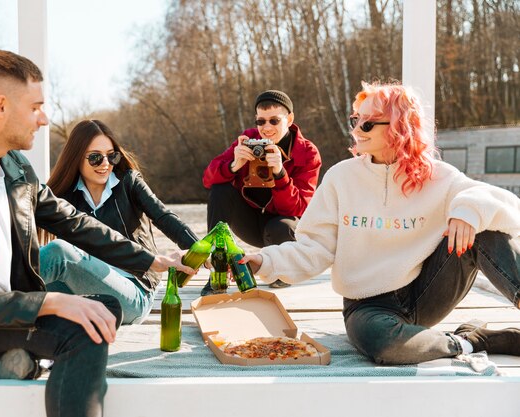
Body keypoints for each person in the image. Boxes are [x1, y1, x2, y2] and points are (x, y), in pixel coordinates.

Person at [0, 48, 193, 417]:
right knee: (83, 328)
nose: (44, 118)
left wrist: (150, 260)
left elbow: (74, 222)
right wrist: (49, 302)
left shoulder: (16, 169)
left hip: (3, 315)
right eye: (35, 107)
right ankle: (16, 360)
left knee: (102, 310)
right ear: (0, 106)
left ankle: (14, 361)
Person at [242, 81, 520, 365]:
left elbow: (506, 206)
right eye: (355, 120)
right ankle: (474, 340)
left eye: (367, 124)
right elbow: (314, 248)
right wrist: (262, 261)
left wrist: (467, 211)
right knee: (386, 345)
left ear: (399, 126)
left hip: (427, 291)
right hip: (368, 306)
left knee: (481, 222)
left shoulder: (438, 176)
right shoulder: (341, 178)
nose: (355, 129)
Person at [40, 119, 199, 324]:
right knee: (36, 285)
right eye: (95, 158)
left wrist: (200, 250)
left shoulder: (128, 182)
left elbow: (164, 217)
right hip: (85, 290)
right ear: (76, 158)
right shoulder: (64, 197)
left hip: (134, 292)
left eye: (111, 156)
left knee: (58, 252)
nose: (105, 164)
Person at [201, 90, 322, 294]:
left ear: (289, 119)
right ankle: (218, 266)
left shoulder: (307, 153)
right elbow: (208, 179)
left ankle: (281, 271)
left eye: (274, 121)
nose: (266, 128)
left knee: (283, 226)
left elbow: (300, 208)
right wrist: (233, 165)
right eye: (261, 121)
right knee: (220, 189)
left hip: (280, 230)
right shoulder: (248, 139)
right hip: (249, 222)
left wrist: (280, 173)